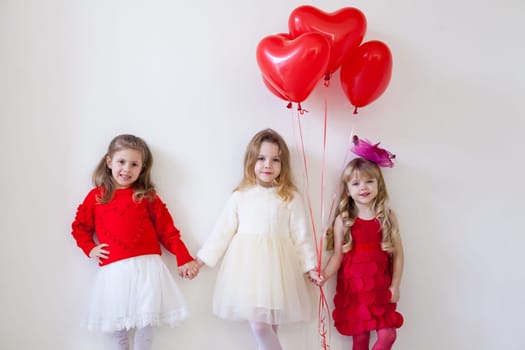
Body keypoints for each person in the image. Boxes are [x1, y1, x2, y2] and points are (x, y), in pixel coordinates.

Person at [71, 134, 199, 350]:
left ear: (142, 168)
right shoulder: (96, 197)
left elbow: (168, 231)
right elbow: (79, 227)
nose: (127, 169)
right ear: (109, 161)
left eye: (134, 164)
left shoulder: (147, 196)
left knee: (145, 327)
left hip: (147, 270)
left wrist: (183, 257)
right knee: (118, 330)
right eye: (121, 162)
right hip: (114, 272)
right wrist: (90, 248)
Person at [195, 128, 319, 350]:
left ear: (283, 165)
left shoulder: (289, 197)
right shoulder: (240, 196)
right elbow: (222, 231)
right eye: (261, 158)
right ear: (251, 160)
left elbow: (301, 236)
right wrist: (202, 260)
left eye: (275, 160)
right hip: (248, 271)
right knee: (260, 326)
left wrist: (310, 267)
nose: (267, 165)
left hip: (279, 271)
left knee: (270, 327)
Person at [318, 136, 404, 350]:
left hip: (380, 289)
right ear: (348, 190)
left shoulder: (387, 216)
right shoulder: (344, 220)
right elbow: (338, 256)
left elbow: (399, 255)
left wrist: (395, 285)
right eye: (356, 183)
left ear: (378, 184)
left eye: (369, 181)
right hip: (354, 289)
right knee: (360, 340)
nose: (363, 187)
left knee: (387, 336)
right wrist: (324, 275)